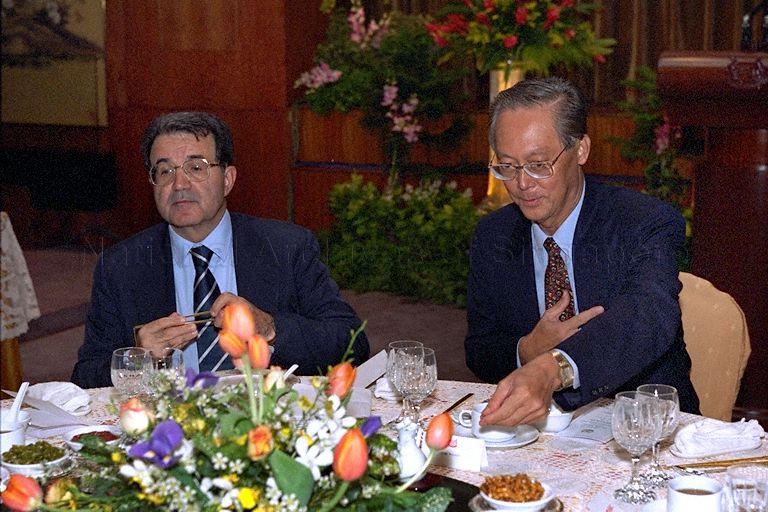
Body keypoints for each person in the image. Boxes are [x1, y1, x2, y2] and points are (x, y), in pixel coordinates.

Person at [72, 111, 369, 388]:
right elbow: (84, 378)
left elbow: (352, 344)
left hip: (265, 419)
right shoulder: (121, 266)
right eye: (164, 171)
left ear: (227, 180)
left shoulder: (287, 248)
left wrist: (270, 329)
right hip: (169, 428)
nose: (179, 184)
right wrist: (137, 358)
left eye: (196, 168)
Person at [465, 77, 699, 427]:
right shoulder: (494, 236)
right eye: (508, 166)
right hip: (538, 435)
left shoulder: (643, 223)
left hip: (644, 429)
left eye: (539, 164)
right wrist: (527, 350)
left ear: (581, 150)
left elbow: (647, 317)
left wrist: (554, 365)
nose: (522, 183)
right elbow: (480, 349)